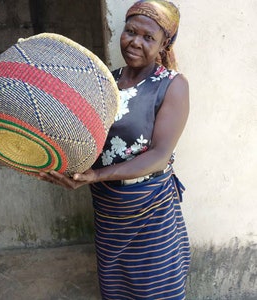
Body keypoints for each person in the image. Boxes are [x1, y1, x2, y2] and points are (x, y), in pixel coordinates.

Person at [40, 0, 191, 299]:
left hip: (150, 211)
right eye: (130, 31)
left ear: (164, 44)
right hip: (109, 210)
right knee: (116, 288)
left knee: (156, 289)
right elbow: (83, 136)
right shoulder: (104, 81)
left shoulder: (172, 85)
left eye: (148, 37)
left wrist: (97, 175)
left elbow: (160, 154)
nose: (135, 42)